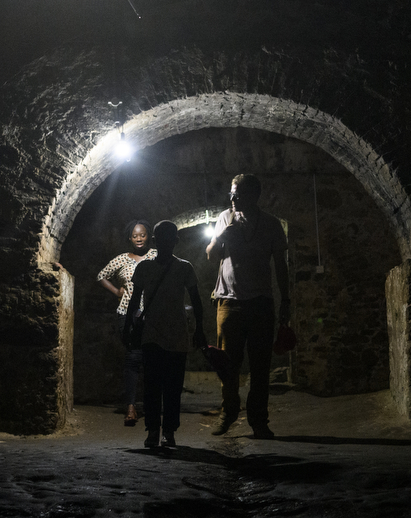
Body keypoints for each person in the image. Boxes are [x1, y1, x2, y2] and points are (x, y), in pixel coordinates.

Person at [206, 173, 290, 439]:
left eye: (238, 194)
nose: (232, 198)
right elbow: (210, 255)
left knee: (260, 366)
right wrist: (222, 239)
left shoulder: (271, 225)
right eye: (231, 193)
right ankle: (228, 412)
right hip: (228, 302)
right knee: (227, 364)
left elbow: (280, 265)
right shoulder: (224, 219)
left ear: (254, 196)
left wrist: (285, 300)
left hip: (260, 303)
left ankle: (258, 420)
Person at [123, 220, 206, 449]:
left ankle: (155, 431)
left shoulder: (148, 268)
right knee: (171, 387)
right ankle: (166, 431)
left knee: (153, 385)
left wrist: (128, 328)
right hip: (172, 335)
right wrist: (199, 328)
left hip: (157, 334)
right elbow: (196, 301)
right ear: (174, 241)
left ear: (153, 241)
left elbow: (134, 300)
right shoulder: (184, 267)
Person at [97, 220, 156, 426]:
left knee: (151, 359)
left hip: (152, 314)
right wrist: (117, 291)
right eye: (134, 235)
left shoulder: (155, 256)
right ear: (129, 238)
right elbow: (101, 276)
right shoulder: (122, 259)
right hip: (127, 313)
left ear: (149, 236)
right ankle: (131, 407)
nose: (139, 238)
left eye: (143, 235)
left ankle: (151, 406)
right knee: (132, 357)